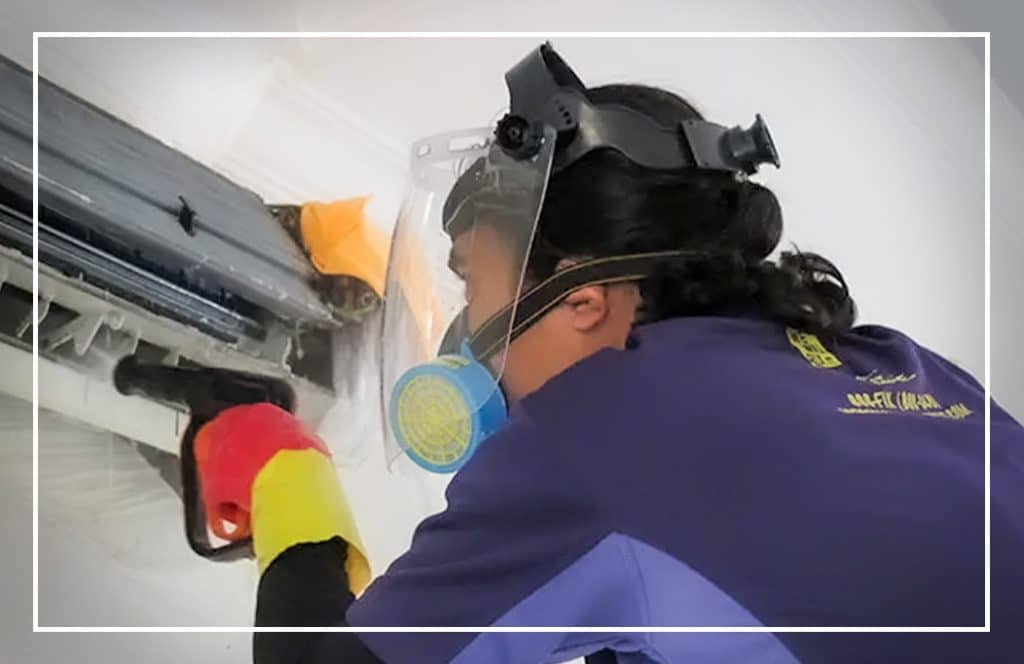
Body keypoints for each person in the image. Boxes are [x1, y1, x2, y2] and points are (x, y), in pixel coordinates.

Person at [194, 44, 1023, 663]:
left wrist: (285, 469)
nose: (464, 335)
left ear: (583, 298)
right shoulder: (902, 366)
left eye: (472, 287)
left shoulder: (595, 430)